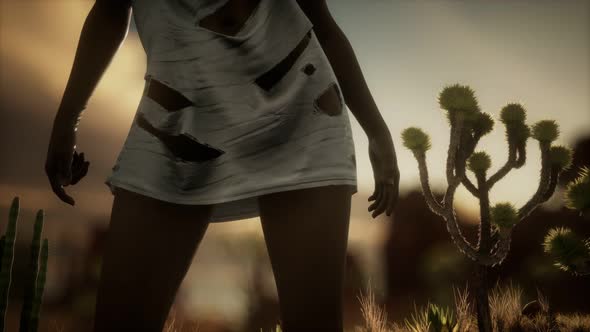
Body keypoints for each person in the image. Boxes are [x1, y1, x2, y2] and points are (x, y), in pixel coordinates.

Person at [44, 0, 400, 331]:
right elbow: (109, 12)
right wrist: (67, 120)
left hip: (300, 114)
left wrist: (377, 130)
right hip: (173, 125)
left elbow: (322, 25)